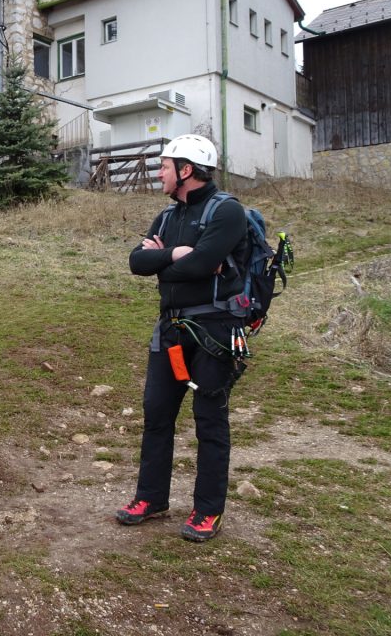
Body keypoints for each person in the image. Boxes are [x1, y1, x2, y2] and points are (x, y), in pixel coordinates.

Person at [117, 134, 249, 542]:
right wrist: (174, 256)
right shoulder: (167, 216)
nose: (159, 172)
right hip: (170, 330)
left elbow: (204, 263)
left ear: (186, 170)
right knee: (157, 414)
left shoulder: (228, 213)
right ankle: (151, 498)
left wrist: (165, 259)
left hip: (214, 332)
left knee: (210, 420)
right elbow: (137, 262)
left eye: (165, 166)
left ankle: (208, 511)